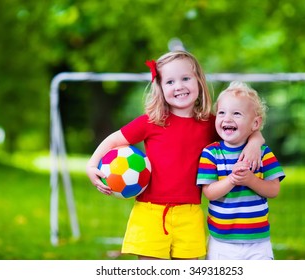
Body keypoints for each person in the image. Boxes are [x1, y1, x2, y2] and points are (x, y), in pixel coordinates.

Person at [86, 51, 265, 260]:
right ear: (160, 88)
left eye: (186, 78)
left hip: (190, 214)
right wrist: (91, 165)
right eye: (170, 81)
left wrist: (255, 143)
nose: (179, 86)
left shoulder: (211, 123)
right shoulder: (150, 121)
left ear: (199, 81)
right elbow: (113, 140)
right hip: (149, 213)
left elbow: (247, 129)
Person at [197, 81, 285, 260]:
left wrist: (250, 180)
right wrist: (232, 180)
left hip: (258, 242)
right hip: (221, 243)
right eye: (222, 113)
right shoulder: (211, 153)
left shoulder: (263, 153)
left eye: (237, 114)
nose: (227, 118)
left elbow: (274, 190)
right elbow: (209, 193)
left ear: (255, 124)